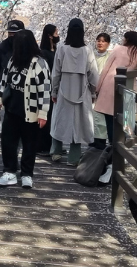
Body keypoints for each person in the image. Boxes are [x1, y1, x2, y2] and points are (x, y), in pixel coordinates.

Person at [0, 29, 51, 189]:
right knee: (8, 142)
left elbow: (45, 89)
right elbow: (3, 81)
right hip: (12, 108)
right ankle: (9, 172)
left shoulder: (40, 63)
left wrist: (43, 113)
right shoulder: (13, 60)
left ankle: (27, 174)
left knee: (30, 143)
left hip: (31, 111)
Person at [50, 18, 100, 165]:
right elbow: (93, 74)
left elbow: (56, 72)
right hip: (82, 90)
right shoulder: (87, 49)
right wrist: (93, 92)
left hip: (64, 90)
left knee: (59, 120)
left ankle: (56, 151)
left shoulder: (61, 48)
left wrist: (54, 91)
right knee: (78, 122)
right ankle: (74, 156)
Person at [94, 31, 137, 141]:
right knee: (123, 120)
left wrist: (98, 88)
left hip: (109, 85)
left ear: (127, 39)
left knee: (110, 119)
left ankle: (112, 148)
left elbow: (106, 69)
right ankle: (120, 146)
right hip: (127, 88)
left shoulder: (118, 49)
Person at [37, 24, 60, 156]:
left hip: (55, 87)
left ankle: (52, 144)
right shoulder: (43, 53)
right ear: (50, 35)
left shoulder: (55, 50)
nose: (58, 35)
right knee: (46, 114)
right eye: (56, 33)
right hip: (46, 88)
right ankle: (42, 145)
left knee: (53, 116)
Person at [0, 19, 24, 93]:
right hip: (5, 85)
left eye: (14, 33)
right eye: (10, 33)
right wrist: (4, 72)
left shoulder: (27, 47)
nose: (12, 35)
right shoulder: (1, 47)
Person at [92, 32, 113, 148]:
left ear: (108, 44)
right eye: (98, 40)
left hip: (104, 92)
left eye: (103, 41)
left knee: (102, 119)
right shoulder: (90, 56)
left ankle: (101, 144)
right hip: (90, 91)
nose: (100, 43)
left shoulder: (110, 57)